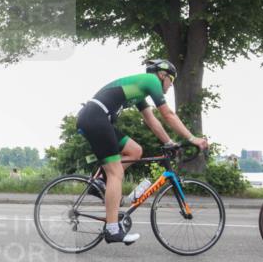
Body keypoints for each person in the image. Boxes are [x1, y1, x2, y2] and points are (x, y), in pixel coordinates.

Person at [77, 60, 208, 245]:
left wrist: (169, 143)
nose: (171, 86)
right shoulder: (151, 81)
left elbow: (151, 120)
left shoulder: (140, 90)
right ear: (162, 75)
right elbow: (168, 114)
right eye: (172, 80)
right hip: (96, 118)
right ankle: (112, 230)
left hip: (96, 118)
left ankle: (99, 182)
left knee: (135, 150)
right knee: (116, 173)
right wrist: (192, 138)